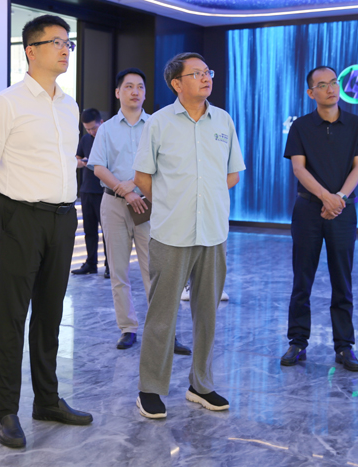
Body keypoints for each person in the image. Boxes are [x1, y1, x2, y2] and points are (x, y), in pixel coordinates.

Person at [0, 14, 93, 449]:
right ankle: (6, 410)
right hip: (20, 217)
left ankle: (47, 400)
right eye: (56, 42)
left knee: (50, 314)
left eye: (68, 43)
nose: (64, 49)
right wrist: (12, 209)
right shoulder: (6, 103)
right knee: (10, 317)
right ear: (31, 51)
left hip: (63, 218)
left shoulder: (69, 105)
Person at [133, 53, 245, 419]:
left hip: (213, 231)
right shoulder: (159, 122)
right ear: (177, 83)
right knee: (162, 315)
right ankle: (150, 389)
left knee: (207, 314)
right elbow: (142, 177)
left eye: (207, 71)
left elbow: (232, 174)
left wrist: (205, 195)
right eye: (196, 73)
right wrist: (174, 201)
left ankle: (201, 384)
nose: (206, 77)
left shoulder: (223, 120)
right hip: (171, 232)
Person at [87, 68, 190, 355]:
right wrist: (125, 191)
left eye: (140, 87)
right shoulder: (106, 129)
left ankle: (165, 333)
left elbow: (165, 164)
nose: (135, 91)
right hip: (113, 205)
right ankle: (127, 328)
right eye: (129, 86)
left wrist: (134, 187)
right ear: (118, 92)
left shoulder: (157, 125)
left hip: (149, 203)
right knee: (118, 271)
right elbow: (98, 167)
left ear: (145, 93)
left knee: (156, 272)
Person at [280, 66, 358, 371]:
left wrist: (339, 198)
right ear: (311, 93)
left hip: (343, 211)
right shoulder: (301, 126)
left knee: (342, 281)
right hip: (308, 210)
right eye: (322, 85)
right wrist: (325, 197)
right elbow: (298, 168)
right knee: (302, 279)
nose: (331, 89)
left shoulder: (356, 124)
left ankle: (344, 347)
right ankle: (297, 342)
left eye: (334, 82)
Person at [71, 108, 109, 278]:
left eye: (94, 128)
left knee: (108, 231)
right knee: (89, 230)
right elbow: (78, 157)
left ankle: (110, 265)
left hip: (104, 190)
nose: (92, 132)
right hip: (87, 189)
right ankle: (91, 263)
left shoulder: (108, 137)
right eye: (88, 129)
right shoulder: (86, 139)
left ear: (101, 122)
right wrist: (82, 162)